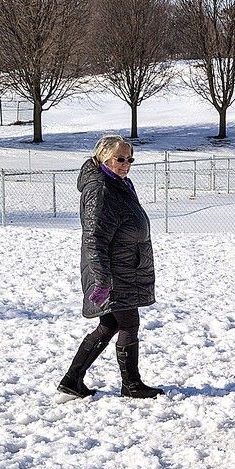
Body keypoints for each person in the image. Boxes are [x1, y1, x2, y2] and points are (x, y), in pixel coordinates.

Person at [57, 135, 164, 399]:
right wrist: (102, 280)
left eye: (130, 159)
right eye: (120, 158)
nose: (126, 163)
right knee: (129, 323)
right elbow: (94, 237)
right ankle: (131, 385)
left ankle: (72, 381)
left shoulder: (118, 183)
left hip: (126, 266)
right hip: (115, 271)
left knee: (109, 324)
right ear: (104, 157)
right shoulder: (102, 189)